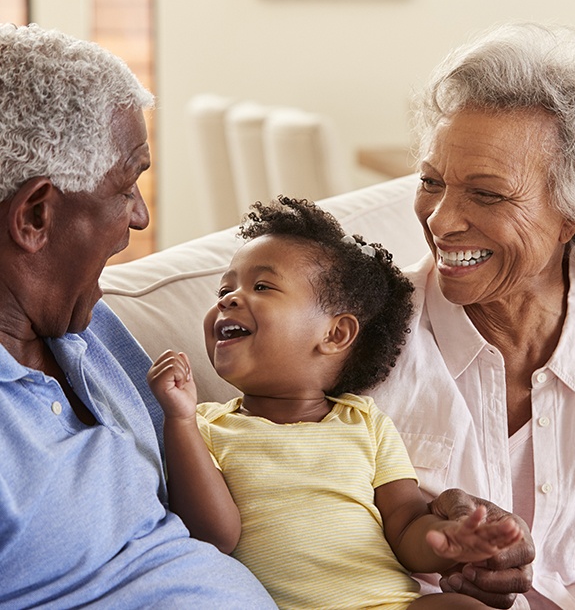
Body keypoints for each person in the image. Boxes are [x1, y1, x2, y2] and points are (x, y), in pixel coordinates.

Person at [0, 23, 278, 608]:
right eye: (127, 185)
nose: (141, 217)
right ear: (35, 216)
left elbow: (202, 513)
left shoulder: (85, 326)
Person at [148, 196, 525, 610]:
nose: (227, 299)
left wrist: (448, 544)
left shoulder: (365, 422)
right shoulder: (206, 427)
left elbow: (406, 526)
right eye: (225, 288)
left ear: (336, 334)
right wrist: (179, 420)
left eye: (261, 286)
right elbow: (215, 536)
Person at [367, 22, 575, 610]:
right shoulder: (353, 344)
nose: (440, 221)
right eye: (431, 183)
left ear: (569, 217)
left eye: (485, 194)